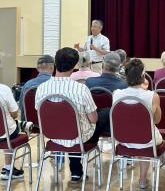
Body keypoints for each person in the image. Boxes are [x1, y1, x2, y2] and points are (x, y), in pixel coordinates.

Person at [35, 47, 109, 184]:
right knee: (103, 114)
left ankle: (76, 170)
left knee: (72, 125)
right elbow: (93, 119)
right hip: (79, 138)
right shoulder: (81, 89)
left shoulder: (41, 88)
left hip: (52, 136)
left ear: (55, 63)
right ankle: (123, 152)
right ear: (74, 65)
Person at [113, 58, 163, 189]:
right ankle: (142, 179)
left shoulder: (116, 94)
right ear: (142, 76)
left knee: (140, 135)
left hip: (123, 139)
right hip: (146, 140)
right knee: (145, 137)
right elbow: (157, 120)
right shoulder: (152, 96)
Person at [18, 55, 54, 121]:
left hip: (31, 126)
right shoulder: (55, 85)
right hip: (50, 124)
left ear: (37, 68)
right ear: (52, 67)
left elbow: (21, 108)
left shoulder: (27, 85)